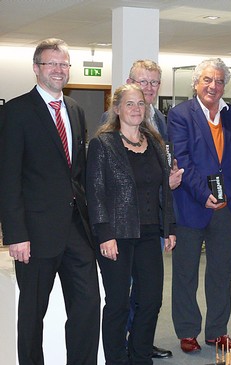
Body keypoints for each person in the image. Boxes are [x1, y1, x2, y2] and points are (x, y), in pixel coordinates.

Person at [0, 38, 101, 365]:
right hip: (35, 233)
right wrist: (15, 234)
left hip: (76, 231)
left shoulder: (75, 110)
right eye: (51, 64)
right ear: (36, 68)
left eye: (64, 64)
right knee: (32, 315)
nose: (59, 70)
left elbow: (78, 173)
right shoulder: (15, 112)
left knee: (87, 306)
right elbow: (8, 177)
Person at [86, 84, 176, 365]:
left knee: (150, 301)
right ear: (117, 109)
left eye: (141, 104)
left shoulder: (156, 142)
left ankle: (140, 357)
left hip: (150, 233)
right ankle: (116, 359)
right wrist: (104, 234)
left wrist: (169, 228)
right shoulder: (103, 144)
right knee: (118, 304)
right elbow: (95, 192)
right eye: (129, 104)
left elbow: (164, 190)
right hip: (117, 235)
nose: (137, 109)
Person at [168, 58, 231, 353]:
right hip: (191, 205)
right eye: (208, 80)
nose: (214, 86)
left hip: (226, 209)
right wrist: (204, 194)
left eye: (220, 81)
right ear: (196, 83)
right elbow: (182, 160)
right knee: (185, 272)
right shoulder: (180, 114)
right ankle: (187, 330)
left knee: (221, 272)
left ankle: (217, 331)